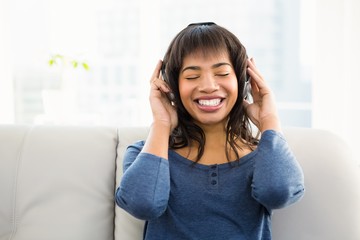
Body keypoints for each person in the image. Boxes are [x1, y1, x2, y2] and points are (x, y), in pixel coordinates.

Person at [115, 22, 305, 240]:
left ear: (243, 80)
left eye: (222, 72)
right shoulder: (144, 153)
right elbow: (142, 204)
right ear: (173, 87)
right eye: (192, 76)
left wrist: (268, 119)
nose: (208, 86)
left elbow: (278, 193)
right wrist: (161, 123)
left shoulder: (266, 156)